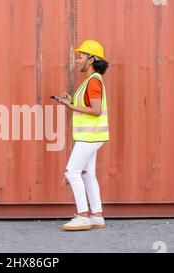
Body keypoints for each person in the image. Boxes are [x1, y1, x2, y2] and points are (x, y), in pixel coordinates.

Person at [56, 40, 110, 231]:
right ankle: (97, 216)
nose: (76, 60)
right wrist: (72, 101)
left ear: (92, 59)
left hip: (89, 137)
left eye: (80, 57)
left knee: (72, 172)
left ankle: (82, 216)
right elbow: (88, 106)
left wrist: (70, 106)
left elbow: (95, 111)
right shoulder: (90, 81)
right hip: (93, 137)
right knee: (88, 174)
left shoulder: (93, 81)